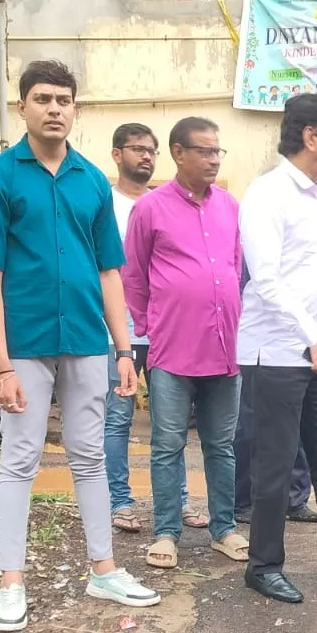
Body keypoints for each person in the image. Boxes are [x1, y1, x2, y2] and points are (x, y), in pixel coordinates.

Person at [0, 60, 161, 632]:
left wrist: (124, 351)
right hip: (25, 344)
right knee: (20, 459)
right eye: (42, 98)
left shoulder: (91, 182)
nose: (54, 108)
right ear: (23, 106)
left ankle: (104, 570)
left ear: (75, 108)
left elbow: (109, 273)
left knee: (90, 455)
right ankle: (11, 582)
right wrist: (0, 367)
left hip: (85, 339)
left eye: (63, 99)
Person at [238, 93, 317, 604]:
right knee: (274, 465)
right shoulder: (268, 194)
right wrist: (315, 337)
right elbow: (266, 279)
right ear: (311, 136)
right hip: (278, 354)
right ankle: (264, 565)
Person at [123, 116, 248, 572]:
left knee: (222, 445)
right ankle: (166, 532)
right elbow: (133, 276)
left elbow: (236, 268)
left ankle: (223, 529)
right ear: (179, 153)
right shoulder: (150, 209)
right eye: (205, 151)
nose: (214, 160)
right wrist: (150, 326)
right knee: (167, 445)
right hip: (172, 351)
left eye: (218, 152)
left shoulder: (230, 207)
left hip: (224, 350)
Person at [105, 123, 198, 537]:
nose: (146, 156)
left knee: (169, 424)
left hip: (164, 332)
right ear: (117, 154)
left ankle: (177, 501)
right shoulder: (104, 203)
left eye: (152, 150)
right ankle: (120, 502)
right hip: (116, 332)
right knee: (117, 420)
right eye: (137, 149)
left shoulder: (166, 203)